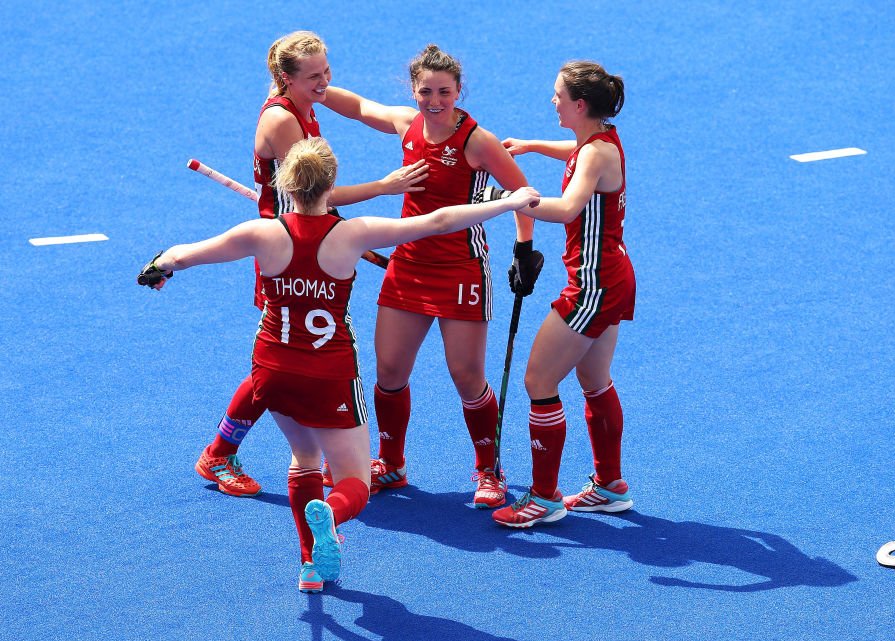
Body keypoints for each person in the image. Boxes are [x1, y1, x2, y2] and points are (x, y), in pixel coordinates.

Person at [138, 137, 539, 590]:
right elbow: (440, 220)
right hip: (329, 375)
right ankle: (331, 514)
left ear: (287, 185)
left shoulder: (261, 233)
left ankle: (310, 564)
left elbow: (184, 254)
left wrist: (159, 266)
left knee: (304, 459)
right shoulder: (352, 234)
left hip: (272, 371)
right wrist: (510, 202)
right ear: (330, 186)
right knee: (354, 482)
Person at [194, 31, 428, 498]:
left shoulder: (304, 95)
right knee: (276, 360)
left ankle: (223, 449)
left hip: (307, 236)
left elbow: (364, 109)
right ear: (287, 79)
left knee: (280, 358)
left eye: (327, 70)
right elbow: (315, 192)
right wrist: (384, 187)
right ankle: (218, 453)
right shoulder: (282, 120)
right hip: (285, 249)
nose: (325, 81)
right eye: (315, 76)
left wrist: (421, 121)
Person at [321, 44, 542, 509]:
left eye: (444, 91)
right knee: (389, 371)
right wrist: (313, 91)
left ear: (460, 91)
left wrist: (524, 250)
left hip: (462, 267)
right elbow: (361, 108)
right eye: (426, 91)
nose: (434, 100)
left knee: (466, 376)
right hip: (409, 266)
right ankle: (391, 463)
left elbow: (524, 195)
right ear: (414, 91)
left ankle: (489, 470)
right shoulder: (409, 124)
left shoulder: (476, 141)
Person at [490, 61, 634, 528]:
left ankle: (545, 498)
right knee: (594, 381)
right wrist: (532, 146)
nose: (551, 101)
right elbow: (576, 155)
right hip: (612, 275)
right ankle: (610, 486)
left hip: (591, 284)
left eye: (557, 96)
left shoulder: (594, 155)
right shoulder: (598, 142)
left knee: (539, 381)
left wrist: (516, 201)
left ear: (579, 105)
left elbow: (570, 205)